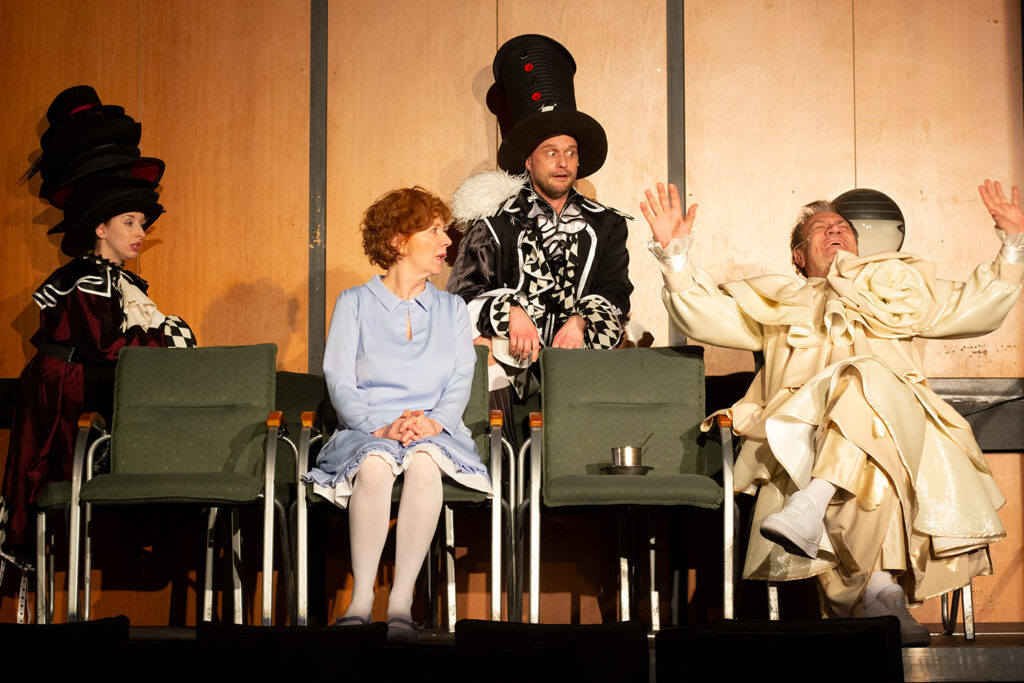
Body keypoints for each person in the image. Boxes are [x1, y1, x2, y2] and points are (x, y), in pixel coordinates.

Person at [640, 179, 1024, 646]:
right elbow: (702, 313)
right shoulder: (776, 301)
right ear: (799, 257)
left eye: (843, 227)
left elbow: (975, 307)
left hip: (902, 430)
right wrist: (674, 254)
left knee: (866, 387)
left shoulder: (896, 293)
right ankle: (884, 595)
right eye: (820, 229)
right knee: (870, 441)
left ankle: (817, 515)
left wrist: (1013, 244)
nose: (835, 231)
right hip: (803, 430)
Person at [0, 86, 193, 563]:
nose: (140, 232)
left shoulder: (115, 279)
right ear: (100, 228)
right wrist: (166, 336)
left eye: (142, 223)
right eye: (129, 222)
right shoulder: (87, 277)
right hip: (64, 385)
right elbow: (104, 346)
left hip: (78, 380)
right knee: (52, 478)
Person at [303, 187, 491, 642]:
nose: (447, 240)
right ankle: (360, 601)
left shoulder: (452, 308)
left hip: (434, 429)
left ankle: (401, 603)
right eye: (434, 230)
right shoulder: (354, 302)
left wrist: (434, 422)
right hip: (369, 428)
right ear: (398, 241)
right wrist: (380, 427)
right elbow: (339, 377)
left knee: (425, 461)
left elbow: (461, 376)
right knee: (374, 463)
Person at [447, 34, 632, 443]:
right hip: (506, 358)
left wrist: (580, 322)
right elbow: (461, 294)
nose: (563, 162)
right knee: (483, 361)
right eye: (551, 152)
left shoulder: (608, 226)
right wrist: (509, 310)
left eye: (570, 152)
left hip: (580, 359)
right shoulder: (495, 222)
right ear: (529, 161)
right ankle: (505, 467)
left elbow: (616, 291)